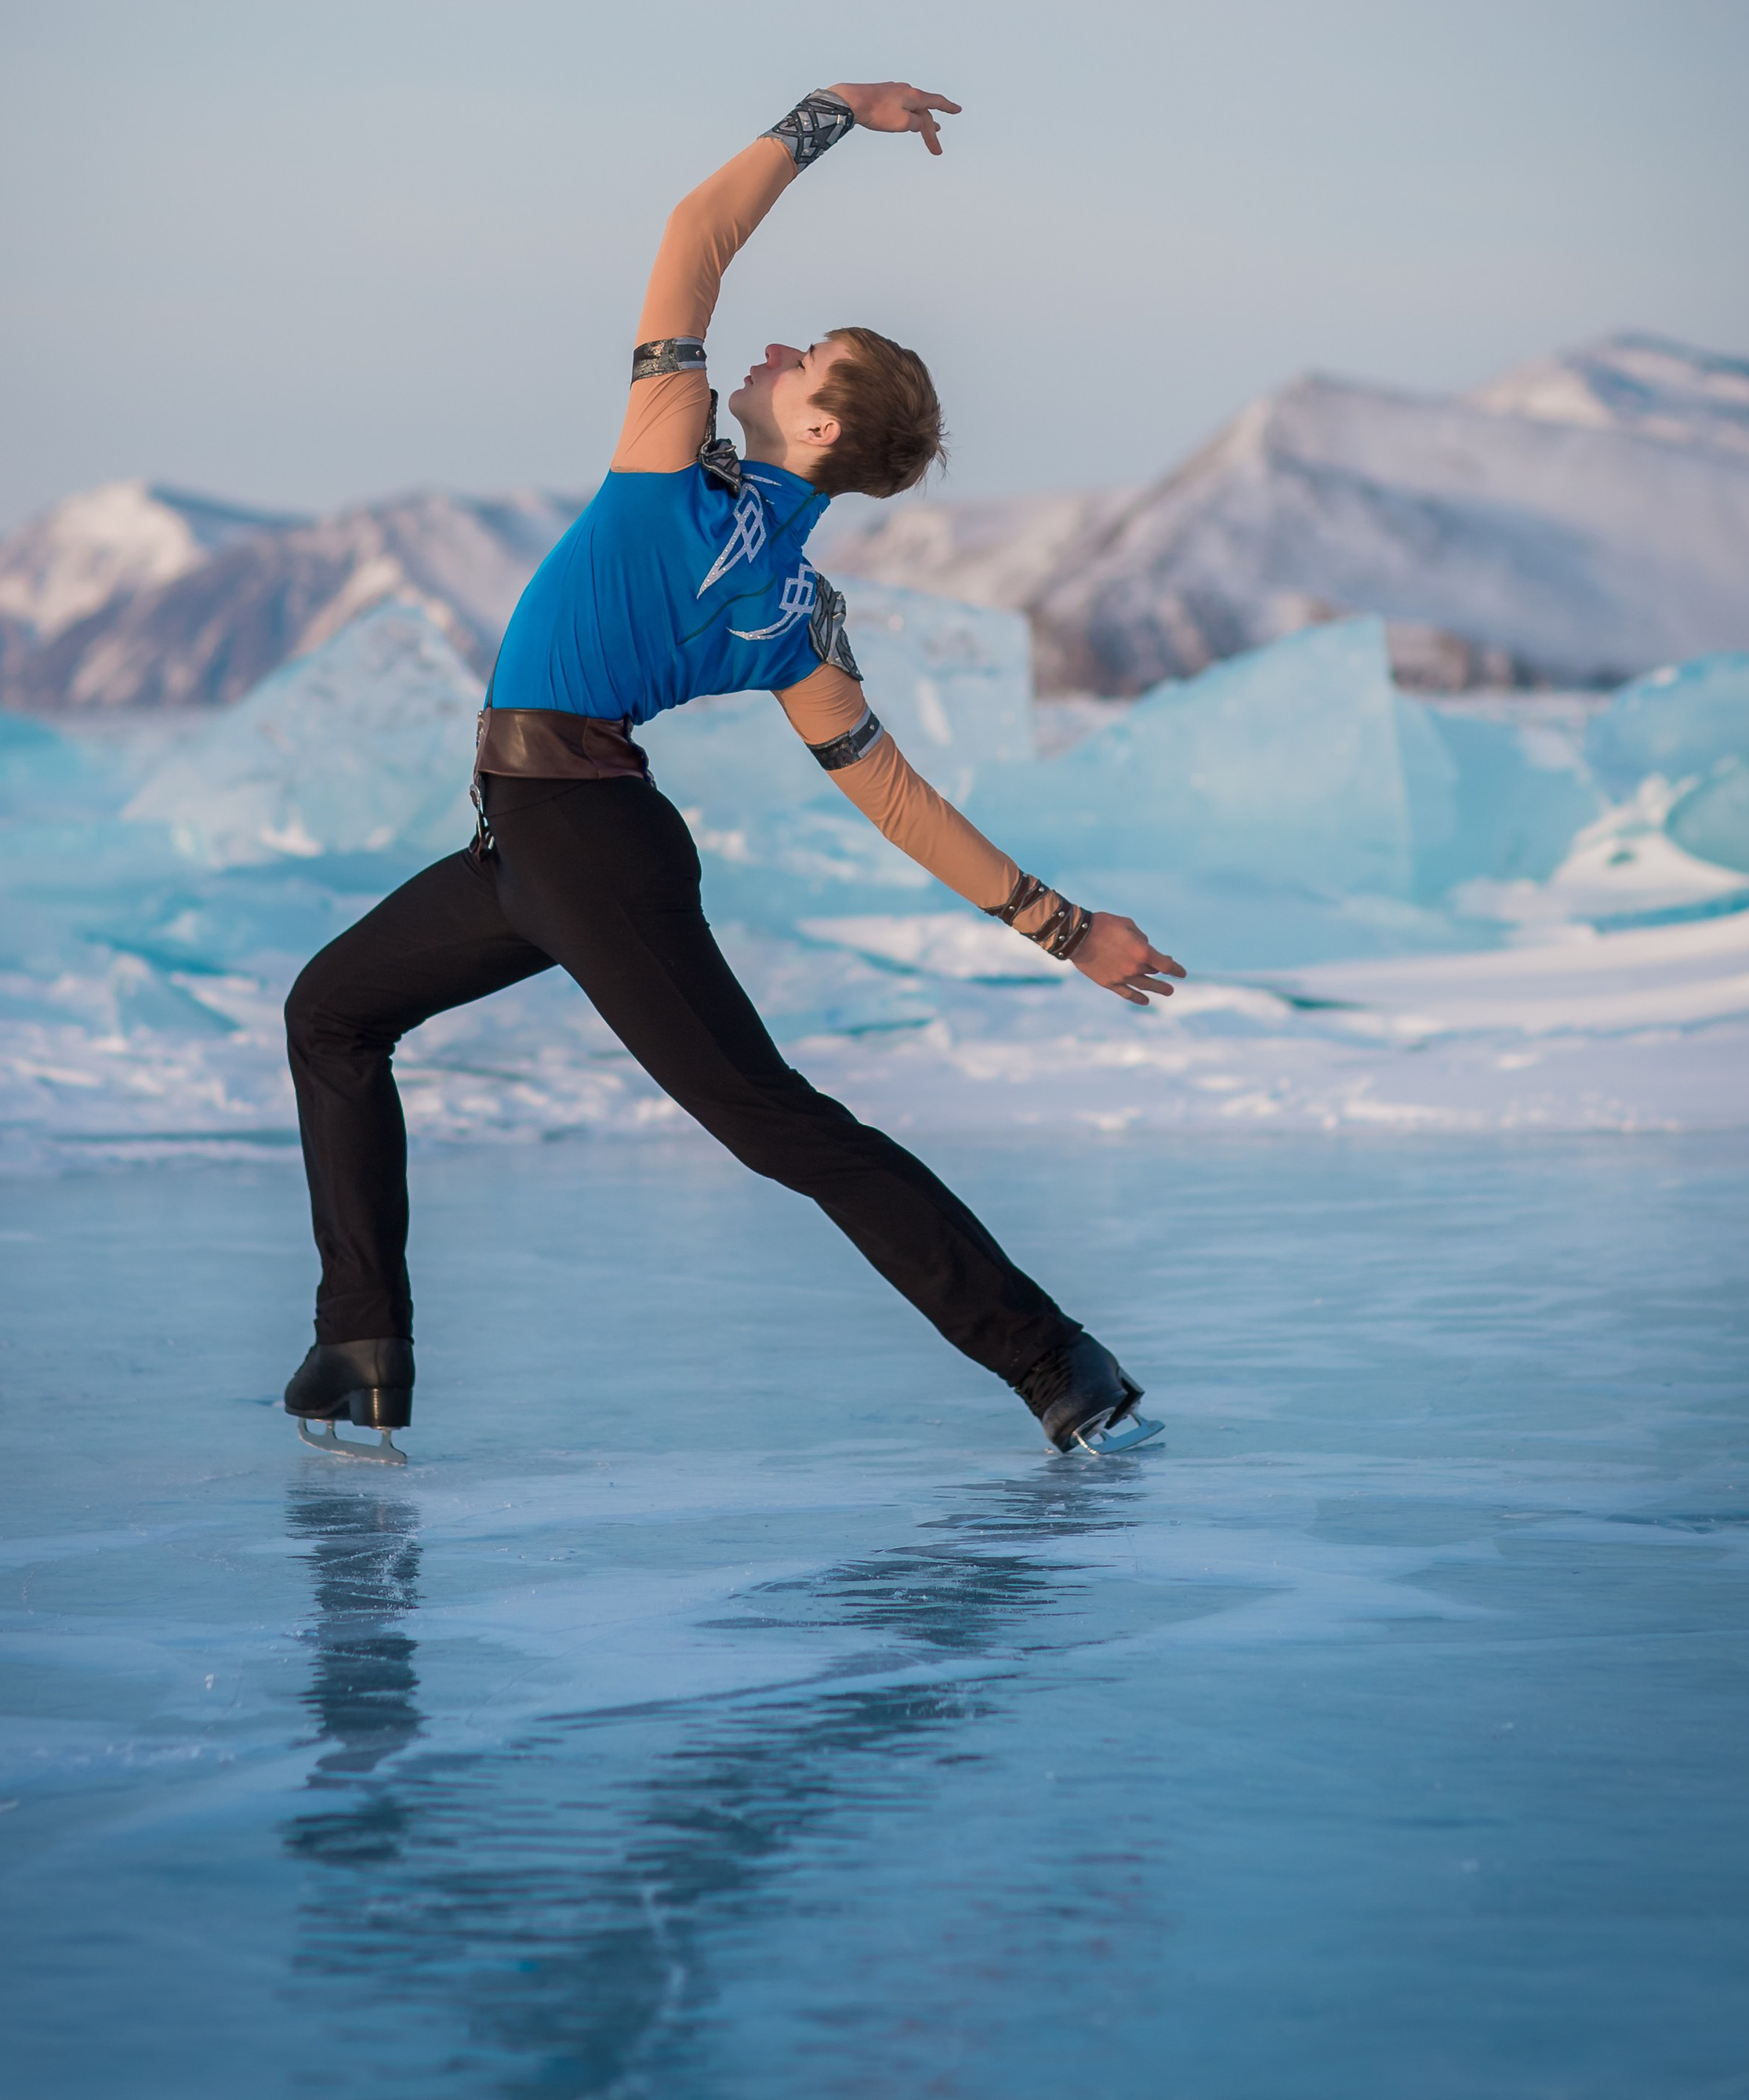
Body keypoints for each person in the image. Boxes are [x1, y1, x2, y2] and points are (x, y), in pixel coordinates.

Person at [281, 84, 1185, 1464]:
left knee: (779, 1126)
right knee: (334, 1013)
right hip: (534, 847)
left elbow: (696, 232)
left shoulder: (673, 468)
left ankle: (1056, 1360)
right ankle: (362, 1345)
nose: (770, 352)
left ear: (819, 431)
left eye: (805, 358)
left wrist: (831, 109)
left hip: (587, 847)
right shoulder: (798, 610)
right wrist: (1061, 930)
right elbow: (892, 796)